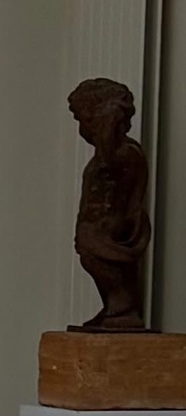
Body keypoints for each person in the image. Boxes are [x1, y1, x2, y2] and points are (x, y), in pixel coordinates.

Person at [67, 74, 152, 334]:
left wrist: (108, 124)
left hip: (107, 225)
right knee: (91, 258)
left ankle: (122, 307)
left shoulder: (120, 154)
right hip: (97, 225)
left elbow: (115, 176)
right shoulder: (110, 156)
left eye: (83, 120)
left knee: (99, 258)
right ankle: (114, 307)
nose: (81, 128)